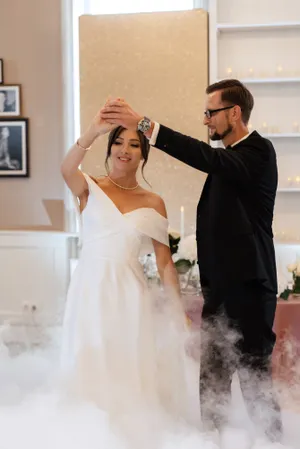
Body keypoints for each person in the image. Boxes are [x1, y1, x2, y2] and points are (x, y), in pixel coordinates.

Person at [100, 79, 283, 443]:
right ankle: (212, 442)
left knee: (253, 378)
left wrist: (146, 126)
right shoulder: (231, 159)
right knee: (211, 384)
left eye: (210, 113)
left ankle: (274, 443)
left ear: (234, 112)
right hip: (222, 292)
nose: (206, 121)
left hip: (250, 288)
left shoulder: (258, 151)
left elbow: (205, 156)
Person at [60, 107, 196, 436]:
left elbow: (165, 263)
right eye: (118, 143)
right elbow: (66, 169)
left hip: (129, 290)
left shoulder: (153, 201)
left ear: (143, 154)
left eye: (134, 144)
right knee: (90, 354)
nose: (125, 150)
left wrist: (179, 311)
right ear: (109, 150)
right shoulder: (90, 187)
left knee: (127, 359)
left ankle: (129, 432)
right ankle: (87, 432)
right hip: (90, 288)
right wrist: (93, 131)